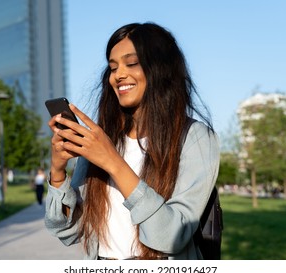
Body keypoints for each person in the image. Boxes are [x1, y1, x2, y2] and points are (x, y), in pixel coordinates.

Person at [44, 22, 220, 260]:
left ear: (161, 69)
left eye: (132, 63)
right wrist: (57, 171)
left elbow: (171, 237)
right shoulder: (104, 140)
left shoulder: (196, 137)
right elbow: (68, 230)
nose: (119, 75)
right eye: (113, 67)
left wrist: (113, 163)